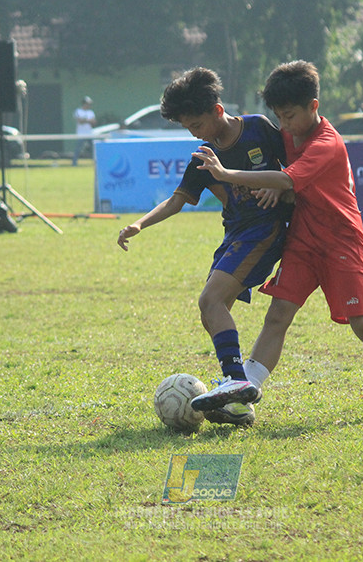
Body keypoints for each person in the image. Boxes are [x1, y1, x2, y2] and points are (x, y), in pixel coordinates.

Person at [191, 60, 363, 418]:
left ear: (313, 107)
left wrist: (228, 174)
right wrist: (275, 190)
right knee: (278, 316)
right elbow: (281, 179)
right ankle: (243, 392)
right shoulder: (288, 133)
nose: (283, 126)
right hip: (302, 239)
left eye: (289, 117)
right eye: (279, 117)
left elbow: (287, 180)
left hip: (341, 242)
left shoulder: (327, 144)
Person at [117, 67, 291, 426]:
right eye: (187, 127)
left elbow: (299, 167)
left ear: (216, 110)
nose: (193, 133)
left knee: (209, 300)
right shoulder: (203, 156)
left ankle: (236, 381)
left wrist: (281, 186)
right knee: (211, 312)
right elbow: (177, 200)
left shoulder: (258, 128)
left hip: (264, 231)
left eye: (195, 124)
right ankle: (239, 404)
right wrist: (139, 223)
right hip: (234, 236)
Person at [72, 96, 96, 166]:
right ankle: (74, 163)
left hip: (89, 133)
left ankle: (95, 163)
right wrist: (88, 120)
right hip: (81, 134)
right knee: (78, 149)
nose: (89, 105)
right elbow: (80, 121)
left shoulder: (91, 112)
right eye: (88, 104)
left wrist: (86, 120)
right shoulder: (78, 111)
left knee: (93, 149)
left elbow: (94, 122)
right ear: (84, 104)